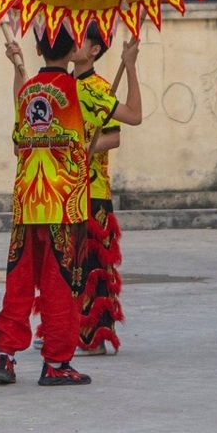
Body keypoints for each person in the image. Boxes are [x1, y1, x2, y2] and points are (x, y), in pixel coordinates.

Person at [0, 24, 140, 386]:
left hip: (28, 202)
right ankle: (56, 363)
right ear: (73, 46)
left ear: (39, 51)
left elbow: (18, 145)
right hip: (64, 202)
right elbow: (133, 115)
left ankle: (6, 357)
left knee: (19, 281)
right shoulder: (82, 91)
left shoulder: (28, 92)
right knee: (61, 284)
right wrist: (131, 65)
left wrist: (18, 70)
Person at [72, 22, 145, 357]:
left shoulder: (99, 88)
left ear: (94, 50)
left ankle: (96, 334)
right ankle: (69, 327)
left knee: (93, 267)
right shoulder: (63, 84)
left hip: (93, 191)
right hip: (65, 191)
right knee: (69, 264)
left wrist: (129, 66)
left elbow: (127, 122)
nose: (71, 42)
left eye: (79, 38)